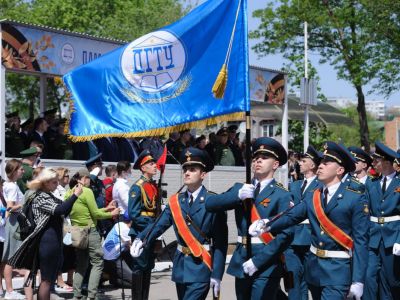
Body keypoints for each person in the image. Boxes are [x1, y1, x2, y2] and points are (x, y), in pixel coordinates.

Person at [249, 141, 369, 300]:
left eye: (327, 163)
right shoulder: (314, 195)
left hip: (338, 271)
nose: (320, 166)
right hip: (314, 269)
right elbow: (292, 215)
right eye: (321, 162)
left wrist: (358, 280)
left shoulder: (355, 198)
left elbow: (361, 241)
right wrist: (266, 224)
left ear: (340, 170)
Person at [131, 147, 228, 300]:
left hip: (200, 266)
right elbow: (158, 225)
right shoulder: (176, 201)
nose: (187, 173)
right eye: (185, 169)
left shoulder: (212, 201)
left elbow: (221, 242)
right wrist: (141, 239)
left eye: (193, 169)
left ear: (203, 174)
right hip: (181, 266)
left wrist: (217, 274)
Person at [205, 137, 294, 300]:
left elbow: (285, 235)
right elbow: (211, 204)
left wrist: (258, 261)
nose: (258, 160)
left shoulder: (282, 194)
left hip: (267, 262)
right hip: (242, 258)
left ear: (275, 165)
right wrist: (237, 196)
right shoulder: (241, 188)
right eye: (255, 157)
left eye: (265, 157)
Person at [7, 168, 83, 300]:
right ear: (46, 183)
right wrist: (75, 195)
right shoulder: (41, 196)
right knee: (47, 280)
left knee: (48, 279)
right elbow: (60, 210)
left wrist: (73, 195)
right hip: (47, 242)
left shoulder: (48, 195)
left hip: (52, 241)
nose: (57, 185)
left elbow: (65, 208)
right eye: (54, 182)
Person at [67, 169, 120, 300]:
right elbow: (95, 214)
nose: (90, 181)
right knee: (97, 262)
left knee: (81, 264)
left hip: (77, 231)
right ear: (84, 178)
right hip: (90, 231)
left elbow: (90, 211)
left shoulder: (69, 193)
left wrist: (106, 208)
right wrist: (111, 214)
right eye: (89, 178)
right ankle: (92, 295)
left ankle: (77, 295)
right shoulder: (87, 191)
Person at [285, 145, 323, 300]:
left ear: (312, 165)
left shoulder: (320, 186)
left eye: (303, 161)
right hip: (293, 238)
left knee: (311, 281)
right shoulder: (294, 185)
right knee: (293, 280)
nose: (299, 163)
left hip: (310, 238)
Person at [363, 142, 400, 299]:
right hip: (374, 237)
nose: (373, 163)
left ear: (386, 162)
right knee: (369, 277)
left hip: (393, 237)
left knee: (391, 281)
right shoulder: (372, 183)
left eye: (376, 160)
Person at [127, 149, 160, 300]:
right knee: (139, 267)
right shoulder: (137, 187)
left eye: (155, 163)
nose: (155, 166)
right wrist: (151, 225)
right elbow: (134, 213)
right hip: (141, 232)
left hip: (151, 231)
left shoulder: (153, 186)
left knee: (148, 267)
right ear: (143, 167)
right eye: (151, 163)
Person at [2, 159, 26, 300]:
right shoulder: (11, 186)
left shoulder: (8, 184)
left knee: (7, 258)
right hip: (12, 222)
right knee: (10, 258)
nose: (23, 171)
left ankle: (6, 290)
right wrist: (23, 204)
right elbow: (10, 208)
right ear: (14, 170)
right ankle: (10, 291)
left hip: (10, 223)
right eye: (20, 169)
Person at [102, 211, 132, 288]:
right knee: (135, 281)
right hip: (112, 260)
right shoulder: (126, 230)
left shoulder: (118, 224)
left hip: (106, 257)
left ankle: (111, 275)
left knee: (125, 251)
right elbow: (132, 248)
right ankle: (112, 278)